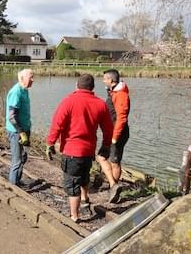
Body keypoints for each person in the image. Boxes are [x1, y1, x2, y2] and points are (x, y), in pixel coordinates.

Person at [46, 74, 113, 223]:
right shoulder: (101, 104)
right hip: (88, 151)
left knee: (72, 184)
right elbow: (108, 129)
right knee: (84, 177)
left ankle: (74, 216)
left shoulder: (68, 101)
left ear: (77, 85)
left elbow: (57, 124)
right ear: (93, 88)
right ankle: (85, 199)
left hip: (71, 151)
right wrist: (106, 146)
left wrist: (50, 142)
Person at [96, 69, 131, 203]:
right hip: (111, 132)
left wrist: (115, 137)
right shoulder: (114, 91)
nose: (103, 81)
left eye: (105, 79)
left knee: (115, 162)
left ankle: (113, 189)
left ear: (111, 80)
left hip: (118, 133)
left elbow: (121, 118)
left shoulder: (121, 95)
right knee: (101, 157)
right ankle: (113, 185)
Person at [5, 69, 34, 186]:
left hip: (24, 130)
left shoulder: (25, 90)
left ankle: (17, 181)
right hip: (16, 131)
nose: (33, 80)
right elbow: (11, 117)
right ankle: (13, 187)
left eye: (33, 77)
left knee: (23, 156)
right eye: (30, 77)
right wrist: (21, 132)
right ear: (22, 78)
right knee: (17, 160)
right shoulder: (16, 92)